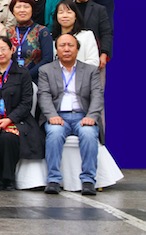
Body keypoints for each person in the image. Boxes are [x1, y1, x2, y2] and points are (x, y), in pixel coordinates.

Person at [37, 33, 104, 195]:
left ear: (77, 49)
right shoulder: (46, 70)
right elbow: (43, 95)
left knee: (89, 134)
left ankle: (88, 180)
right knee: (54, 133)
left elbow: (97, 95)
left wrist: (91, 116)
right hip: (58, 116)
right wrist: (52, 115)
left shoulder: (90, 70)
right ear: (57, 49)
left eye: (70, 45)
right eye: (62, 45)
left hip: (83, 116)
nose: (66, 49)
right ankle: (53, 179)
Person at [0, 36, 41, 192]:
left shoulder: (22, 73)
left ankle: (8, 178)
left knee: (8, 136)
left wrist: (9, 119)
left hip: (17, 119)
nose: (0, 53)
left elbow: (26, 103)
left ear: (12, 50)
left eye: (3, 49)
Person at [65, 0, 113, 68]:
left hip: (93, 54)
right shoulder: (66, 9)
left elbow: (106, 33)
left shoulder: (99, 9)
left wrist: (104, 54)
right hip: (69, 53)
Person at [7, 0, 55, 75]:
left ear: (32, 10)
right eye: (18, 7)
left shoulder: (42, 31)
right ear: (13, 11)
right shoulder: (8, 33)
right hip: (11, 78)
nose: (22, 10)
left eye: (26, 7)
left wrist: (27, 76)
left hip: (36, 78)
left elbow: (47, 59)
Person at [51, 0, 100, 67]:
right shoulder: (51, 38)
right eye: (61, 12)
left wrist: (70, 70)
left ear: (76, 16)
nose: (65, 16)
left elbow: (93, 62)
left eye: (69, 12)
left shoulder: (87, 35)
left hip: (83, 73)